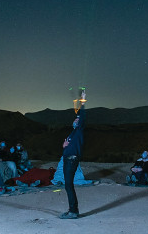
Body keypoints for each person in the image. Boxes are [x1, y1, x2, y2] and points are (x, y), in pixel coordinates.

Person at [60, 90, 86, 219]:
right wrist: (64, 147)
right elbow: (68, 146)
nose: (75, 121)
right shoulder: (73, 133)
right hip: (67, 158)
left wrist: (82, 101)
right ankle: (72, 209)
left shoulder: (79, 131)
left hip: (71, 160)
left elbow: (82, 115)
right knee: (67, 185)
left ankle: (73, 211)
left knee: (69, 185)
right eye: (74, 119)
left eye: (77, 119)